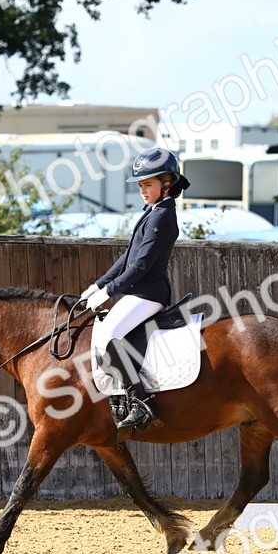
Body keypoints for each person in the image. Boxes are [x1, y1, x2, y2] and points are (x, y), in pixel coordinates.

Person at [81, 147, 191, 431]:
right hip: (137, 293)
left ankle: (142, 402)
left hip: (148, 294)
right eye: (141, 185)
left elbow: (140, 266)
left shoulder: (163, 216)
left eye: (148, 184)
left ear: (167, 184)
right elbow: (127, 257)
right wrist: (100, 283)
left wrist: (109, 292)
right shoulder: (152, 211)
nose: (143, 190)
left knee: (109, 337)